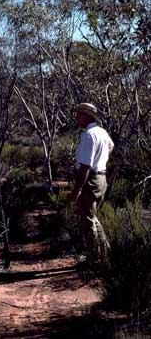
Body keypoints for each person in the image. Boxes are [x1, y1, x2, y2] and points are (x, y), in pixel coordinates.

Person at [69, 103, 114, 259]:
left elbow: (85, 166)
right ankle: (105, 252)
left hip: (90, 179)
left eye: (79, 114)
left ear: (88, 116)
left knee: (87, 220)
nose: (76, 117)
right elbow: (111, 146)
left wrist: (78, 189)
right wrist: (101, 159)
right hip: (101, 178)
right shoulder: (102, 132)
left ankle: (95, 258)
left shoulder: (89, 135)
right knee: (92, 216)